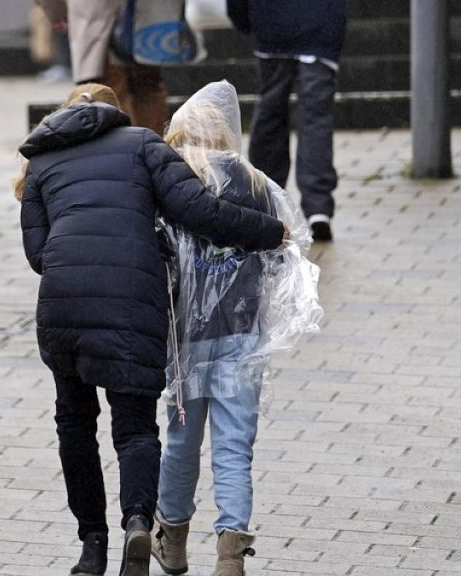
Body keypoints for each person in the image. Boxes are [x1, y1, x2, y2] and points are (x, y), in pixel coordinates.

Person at [15, 83, 288, 576]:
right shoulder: (142, 143)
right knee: (135, 427)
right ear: (112, 114)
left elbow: (38, 256)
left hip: (64, 305)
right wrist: (271, 231)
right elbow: (200, 213)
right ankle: (139, 524)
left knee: (74, 424)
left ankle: (91, 548)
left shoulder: (40, 163)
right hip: (131, 302)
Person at [152, 81, 322, 576]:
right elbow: (279, 260)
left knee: (181, 443)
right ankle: (230, 554)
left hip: (187, 343)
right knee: (233, 448)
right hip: (242, 338)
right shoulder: (257, 185)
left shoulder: (175, 181)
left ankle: (174, 540)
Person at [227, 0, 347, 242]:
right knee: (316, 117)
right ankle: (319, 208)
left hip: (272, 21)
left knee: (271, 111)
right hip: (322, 23)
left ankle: (264, 198)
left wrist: (242, 18)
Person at [37, 0, 169, 134]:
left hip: (97, 23)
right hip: (146, 22)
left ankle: (120, 150)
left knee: (107, 92)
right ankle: (153, 149)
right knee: (147, 87)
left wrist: (57, 14)